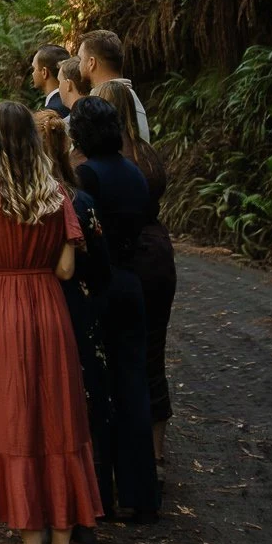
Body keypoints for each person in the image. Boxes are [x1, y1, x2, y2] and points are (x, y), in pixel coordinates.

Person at [0, 103, 102, 544]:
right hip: (48, 308)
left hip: (1, 309)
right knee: (58, 416)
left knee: (14, 416)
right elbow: (65, 269)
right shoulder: (57, 193)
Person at [66, 94, 161, 521]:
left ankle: (101, 494)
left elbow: (86, 233)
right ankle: (141, 492)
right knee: (134, 382)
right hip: (132, 282)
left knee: (98, 388)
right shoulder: (135, 175)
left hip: (99, 285)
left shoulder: (87, 176)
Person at [34, 109, 114, 518]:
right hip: (78, 306)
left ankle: (50, 500)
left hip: (39, 305)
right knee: (89, 396)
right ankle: (95, 496)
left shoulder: (29, 202)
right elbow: (101, 263)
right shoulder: (78, 200)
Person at [96, 78, 177, 474]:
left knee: (120, 359)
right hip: (159, 255)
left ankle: (122, 458)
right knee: (153, 354)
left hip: (126, 260)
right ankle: (156, 454)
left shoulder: (105, 163)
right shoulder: (148, 154)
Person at [78, 31, 150, 142]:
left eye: (80, 59)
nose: (78, 65)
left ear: (91, 63)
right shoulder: (131, 98)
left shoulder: (103, 104)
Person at [32, 45, 71, 117]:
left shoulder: (53, 112)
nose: (32, 73)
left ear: (44, 72)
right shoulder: (71, 102)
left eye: (34, 69)